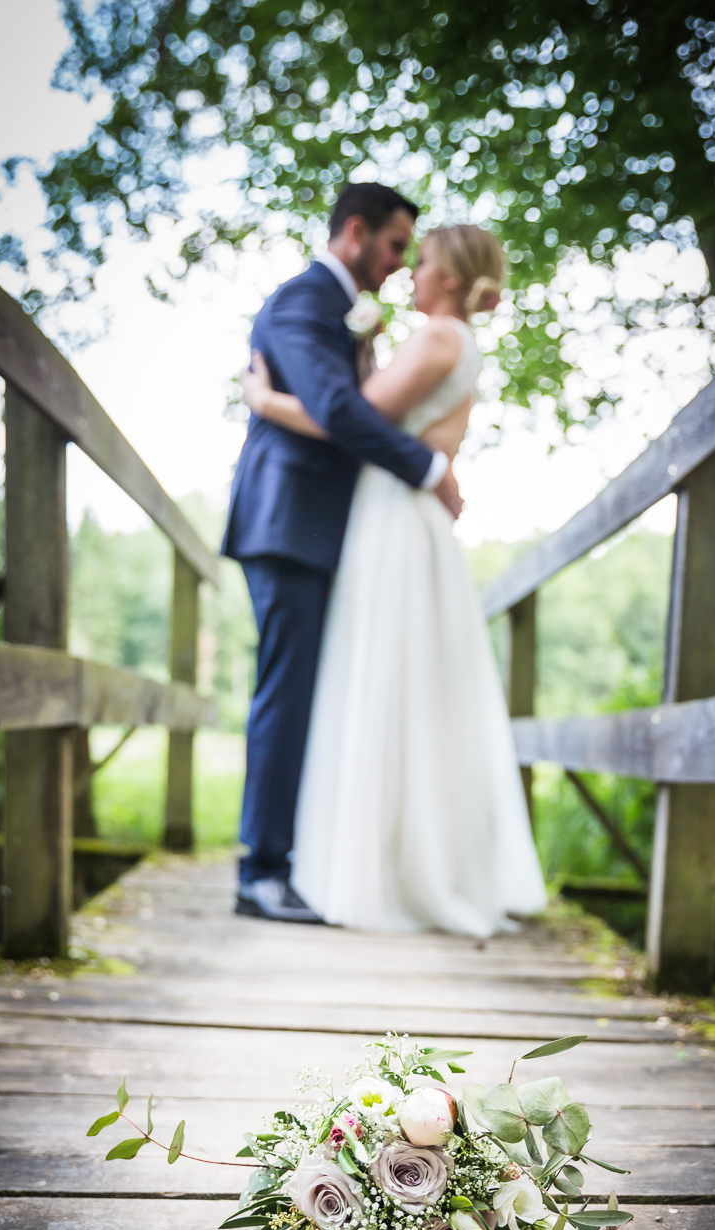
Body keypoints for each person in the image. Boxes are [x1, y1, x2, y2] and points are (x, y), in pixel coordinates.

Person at [242, 224, 547, 936]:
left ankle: (395, 868)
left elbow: (351, 418)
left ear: (449, 276)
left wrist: (264, 404)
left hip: (397, 518)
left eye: (425, 260)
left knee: (387, 683)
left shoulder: (440, 337)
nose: (411, 271)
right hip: (393, 512)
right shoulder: (446, 339)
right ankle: (399, 858)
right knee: (400, 687)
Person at [223, 182, 464, 923]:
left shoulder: (339, 311)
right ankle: (261, 873)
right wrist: (427, 469)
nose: (398, 263)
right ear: (354, 232)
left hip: (320, 525)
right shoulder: (304, 301)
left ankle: (292, 861)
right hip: (289, 522)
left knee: (307, 696)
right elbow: (336, 410)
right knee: (287, 696)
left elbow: (346, 405)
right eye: (395, 245)